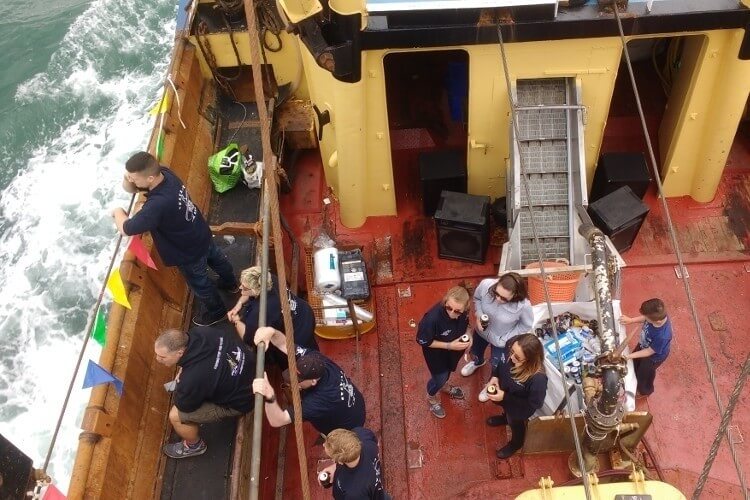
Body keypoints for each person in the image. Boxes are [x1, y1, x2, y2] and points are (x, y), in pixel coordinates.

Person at [112, 151, 238, 327]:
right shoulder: (166, 174)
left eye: (133, 177)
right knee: (217, 259)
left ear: (149, 178)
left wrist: (117, 211)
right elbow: (134, 188)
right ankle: (231, 283)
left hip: (187, 252)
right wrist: (130, 177)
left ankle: (217, 312)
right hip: (200, 232)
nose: (131, 181)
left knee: (200, 283)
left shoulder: (156, 205)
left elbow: (127, 228)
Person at [154, 327, 255, 458]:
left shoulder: (192, 379)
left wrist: (183, 386)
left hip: (243, 400)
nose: (158, 359)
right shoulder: (202, 332)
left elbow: (186, 406)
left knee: (175, 416)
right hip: (253, 369)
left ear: (180, 352)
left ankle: (194, 446)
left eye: (162, 357)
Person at [251, 326, 366, 435]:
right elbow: (284, 344)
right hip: (356, 404)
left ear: (313, 381)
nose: (292, 383)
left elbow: (277, 420)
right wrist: (272, 332)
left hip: (347, 428)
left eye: (298, 381)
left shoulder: (317, 401)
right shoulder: (315, 359)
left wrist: (270, 396)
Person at [461, 273, 534, 402]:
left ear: (515, 295)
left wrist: (505, 339)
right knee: (475, 352)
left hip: (501, 341)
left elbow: (525, 325)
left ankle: (491, 384)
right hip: (481, 332)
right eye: (496, 293)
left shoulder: (524, 306)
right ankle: (478, 362)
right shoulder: (485, 285)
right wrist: (479, 315)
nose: (498, 299)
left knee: (497, 365)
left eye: (504, 298)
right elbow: (477, 298)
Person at [228, 267, 318, 361]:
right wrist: (239, 304)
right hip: (305, 313)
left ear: (256, 291)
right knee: (311, 342)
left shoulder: (259, 312)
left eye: (244, 287)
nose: (240, 287)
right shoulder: (270, 279)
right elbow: (247, 292)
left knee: (290, 355)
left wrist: (236, 320)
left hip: (298, 334)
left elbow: (248, 337)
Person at [484, 333, 547, 459]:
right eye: (511, 351)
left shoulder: (538, 379)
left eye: (517, 358)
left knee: (516, 424)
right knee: (507, 413)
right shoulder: (512, 350)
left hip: (519, 409)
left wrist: (505, 397)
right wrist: (495, 376)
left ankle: (516, 444)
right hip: (505, 397)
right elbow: (500, 365)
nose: (511, 358)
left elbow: (535, 403)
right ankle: (505, 418)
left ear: (530, 360)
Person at [416, 285, 472, 418]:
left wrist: (470, 335)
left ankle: (444, 386)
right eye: (449, 308)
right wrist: (449, 345)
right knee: (438, 379)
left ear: (465, 308)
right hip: (437, 357)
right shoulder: (431, 320)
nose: (452, 313)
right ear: (445, 301)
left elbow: (468, 325)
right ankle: (431, 397)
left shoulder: (464, 312)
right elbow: (422, 340)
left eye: (458, 311)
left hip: (453, 353)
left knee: (446, 375)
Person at [619, 298, 672, 396]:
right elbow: (645, 317)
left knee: (644, 374)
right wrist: (631, 320)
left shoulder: (663, 336)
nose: (645, 319)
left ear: (658, 321)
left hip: (652, 357)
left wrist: (628, 356)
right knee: (634, 364)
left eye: (647, 319)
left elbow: (649, 352)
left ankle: (644, 391)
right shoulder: (656, 316)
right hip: (644, 345)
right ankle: (632, 376)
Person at [319, 427, 390, 499]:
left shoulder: (354, 493)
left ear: (340, 461)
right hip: (375, 490)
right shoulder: (362, 434)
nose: (324, 445)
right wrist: (335, 467)